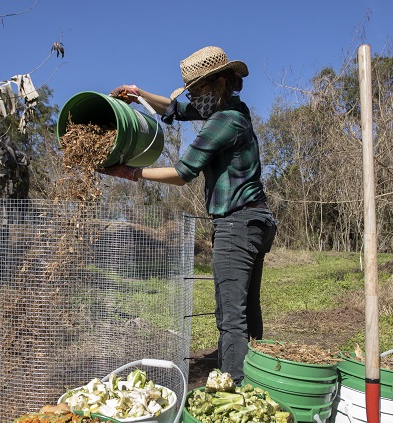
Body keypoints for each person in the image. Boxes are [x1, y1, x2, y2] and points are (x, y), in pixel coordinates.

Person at [103, 46, 277, 382]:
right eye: (193, 91)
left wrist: (132, 173)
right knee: (246, 308)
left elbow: (184, 172)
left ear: (220, 83)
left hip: (238, 223)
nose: (195, 97)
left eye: (199, 89)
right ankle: (259, 378)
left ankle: (236, 387)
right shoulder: (234, 110)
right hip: (255, 219)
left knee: (230, 315)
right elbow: (176, 109)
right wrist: (139, 96)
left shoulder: (225, 121)